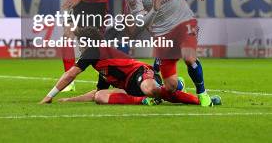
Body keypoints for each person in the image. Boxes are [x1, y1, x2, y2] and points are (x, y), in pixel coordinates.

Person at [119, 0, 216, 106]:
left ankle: (202, 94)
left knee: (189, 57)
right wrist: (154, 10)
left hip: (184, 21)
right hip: (162, 33)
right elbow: (141, 23)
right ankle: (179, 86)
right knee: (170, 87)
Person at [39, 28, 219, 106]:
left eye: (80, 41)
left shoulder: (93, 51)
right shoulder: (100, 65)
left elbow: (71, 74)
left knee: (149, 88)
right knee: (101, 96)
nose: (78, 45)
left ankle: (201, 100)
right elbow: (95, 93)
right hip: (129, 86)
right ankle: (150, 98)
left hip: (141, 72)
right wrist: (68, 100)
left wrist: (49, 96)